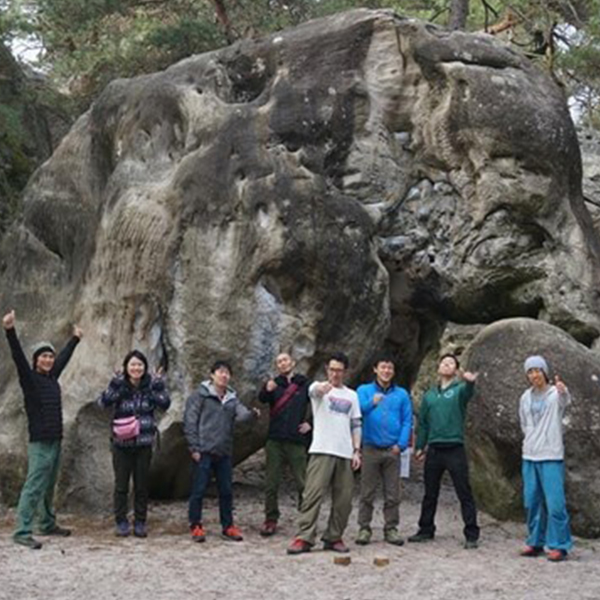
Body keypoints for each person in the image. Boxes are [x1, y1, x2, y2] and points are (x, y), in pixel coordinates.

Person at [3, 309, 82, 549]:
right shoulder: (30, 379)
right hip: (39, 443)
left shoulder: (51, 378)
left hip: (55, 440)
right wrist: (9, 330)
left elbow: (64, 359)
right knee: (34, 485)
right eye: (43, 357)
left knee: (49, 485)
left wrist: (75, 339)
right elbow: (17, 356)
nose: (48, 360)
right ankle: (22, 530)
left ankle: (46, 523)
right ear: (36, 360)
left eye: (50, 356)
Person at [287, 352, 361, 555]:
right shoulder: (317, 388)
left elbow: (356, 424)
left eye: (339, 370)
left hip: (344, 452)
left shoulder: (352, 396)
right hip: (321, 449)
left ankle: (333, 537)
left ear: (345, 372)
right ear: (327, 369)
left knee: (344, 499)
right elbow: (314, 391)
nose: (335, 374)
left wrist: (356, 450)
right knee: (312, 494)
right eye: (332, 369)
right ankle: (304, 537)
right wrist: (321, 388)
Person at [408, 353, 480, 549]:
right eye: (444, 363)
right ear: (438, 368)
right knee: (430, 492)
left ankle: (471, 533)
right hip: (434, 449)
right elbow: (423, 422)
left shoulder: (459, 391)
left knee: (463, 491)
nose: (447, 365)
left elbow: (468, 393)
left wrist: (471, 383)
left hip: (454, 447)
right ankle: (425, 529)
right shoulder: (430, 395)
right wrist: (420, 446)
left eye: (451, 364)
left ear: (456, 370)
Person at [184, 360, 259, 543]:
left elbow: (241, 416)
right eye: (220, 372)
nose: (224, 375)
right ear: (212, 375)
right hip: (204, 451)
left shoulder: (231, 399)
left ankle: (228, 526)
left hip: (224, 451)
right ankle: (196, 525)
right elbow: (190, 421)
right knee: (198, 490)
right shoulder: (200, 396)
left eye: (227, 373)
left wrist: (252, 415)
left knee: (226, 491)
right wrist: (194, 447)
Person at [98, 350, 171, 538]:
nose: (136, 368)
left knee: (141, 485)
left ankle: (140, 521)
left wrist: (157, 385)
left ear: (145, 367)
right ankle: (121, 521)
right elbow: (103, 402)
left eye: (140, 365)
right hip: (121, 444)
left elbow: (165, 404)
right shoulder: (120, 385)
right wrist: (115, 384)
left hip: (144, 443)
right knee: (121, 485)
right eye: (132, 364)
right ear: (126, 367)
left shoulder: (151, 386)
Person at [518, 356, 572, 562]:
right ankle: (535, 541)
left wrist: (563, 390)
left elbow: (565, 400)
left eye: (537, 370)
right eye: (530, 371)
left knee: (555, 502)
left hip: (551, 455)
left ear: (544, 372)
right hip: (530, 454)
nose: (534, 375)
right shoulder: (524, 397)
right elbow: (524, 423)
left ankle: (559, 545)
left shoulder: (555, 394)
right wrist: (531, 440)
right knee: (531, 501)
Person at [355, 356, 413, 546]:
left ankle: (391, 528)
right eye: (383, 367)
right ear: (375, 369)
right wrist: (372, 402)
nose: (386, 371)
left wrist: (401, 444)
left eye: (390, 368)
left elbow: (407, 420)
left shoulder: (401, 394)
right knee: (367, 491)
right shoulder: (364, 391)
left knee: (392, 492)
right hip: (370, 447)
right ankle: (364, 528)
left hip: (392, 450)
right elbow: (356, 414)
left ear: (393, 371)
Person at [258, 352, 311, 536]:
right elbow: (262, 399)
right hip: (275, 440)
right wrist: (267, 389)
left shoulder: (304, 384)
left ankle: (306, 519)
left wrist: (310, 423)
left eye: (285, 360)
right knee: (271, 483)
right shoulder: (274, 384)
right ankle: (270, 519)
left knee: (303, 482)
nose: (282, 363)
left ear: (293, 362)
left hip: (296, 440)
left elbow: (319, 404)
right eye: (279, 361)